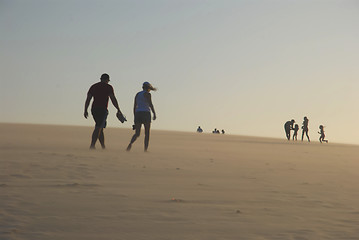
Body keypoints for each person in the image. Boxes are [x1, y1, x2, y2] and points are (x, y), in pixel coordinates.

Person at [84, 73, 124, 149]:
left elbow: (88, 99)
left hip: (94, 109)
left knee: (100, 128)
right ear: (107, 80)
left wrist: (85, 110)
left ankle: (103, 147)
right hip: (102, 109)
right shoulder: (108, 87)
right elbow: (113, 99)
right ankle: (92, 145)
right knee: (98, 127)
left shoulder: (94, 86)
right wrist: (118, 109)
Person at [126, 82, 157, 152]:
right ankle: (145, 149)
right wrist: (154, 113)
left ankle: (130, 144)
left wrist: (135, 117)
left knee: (137, 133)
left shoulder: (137, 94)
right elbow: (150, 104)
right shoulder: (148, 94)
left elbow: (134, 106)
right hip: (146, 113)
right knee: (147, 133)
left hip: (138, 113)